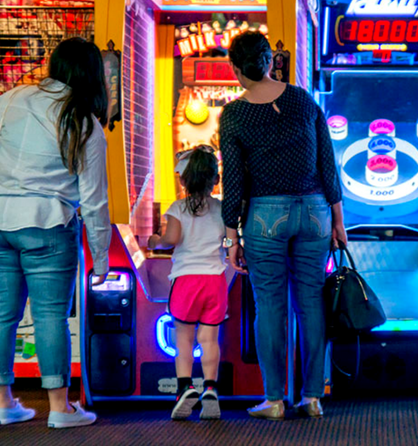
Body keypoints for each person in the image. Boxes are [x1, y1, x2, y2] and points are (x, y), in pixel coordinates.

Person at [220, 31, 347, 421]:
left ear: (236, 68)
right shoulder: (302, 99)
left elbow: (233, 181)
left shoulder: (235, 114)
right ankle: (312, 397)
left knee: (271, 306)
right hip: (315, 211)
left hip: (265, 216)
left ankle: (274, 399)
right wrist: (338, 221)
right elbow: (327, 163)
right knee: (311, 303)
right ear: (270, 62)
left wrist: (231, 237)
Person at [0, 37, 110, 429]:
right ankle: (60, 408)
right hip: (47, 223)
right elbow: (94, 200)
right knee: (50, 316)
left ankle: (2, 404)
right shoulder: (85, 122)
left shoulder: (8, 100)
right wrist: (101, 259)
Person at [147, 146, 227, 421]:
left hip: (186, 281)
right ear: (215, 179)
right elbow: (228, 239)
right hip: (215, 281)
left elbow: (171, 240)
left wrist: (155, 241)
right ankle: (211, 389)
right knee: (209, 339)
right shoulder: (221, 209)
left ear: (183, 181)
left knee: (183, 338)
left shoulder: (178, 209)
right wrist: (231, 245)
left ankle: (185, 388)